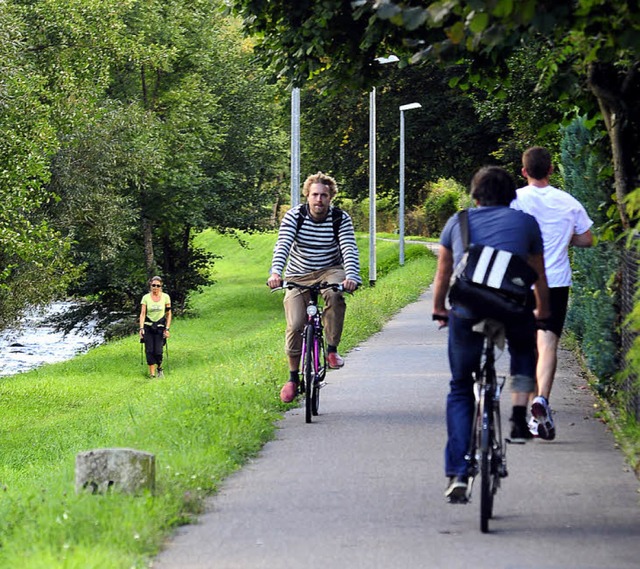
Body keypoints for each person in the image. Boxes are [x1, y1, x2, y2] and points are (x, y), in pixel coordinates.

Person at [432, 166, 550, 502]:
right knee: (526, 353)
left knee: (459, 386)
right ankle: (516, 417)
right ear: (511, 194)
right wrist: (543, 311)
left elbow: (443, 273)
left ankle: (457, 472)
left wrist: (439, 308)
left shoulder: (459, 221)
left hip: (468, 309)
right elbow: (538, 275)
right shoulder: (526, 223)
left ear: (475, 194)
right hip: (513, 308)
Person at [512, 146, 594, 441]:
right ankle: (542, 400)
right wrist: (563, 236)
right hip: (555, 281)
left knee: (527, 345)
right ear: (551, 170)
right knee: (548, 343)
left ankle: (534, 404)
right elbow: (587, 239)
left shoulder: (514, 200)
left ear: (524, 171)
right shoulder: (568, 202)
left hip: (520, 281)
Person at [267, 172, 361, 403]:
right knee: (296, 323)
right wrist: (276, 273)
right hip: (298, 272)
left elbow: (349, 247)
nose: (319, 199)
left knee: (335, 295)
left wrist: (351, 276)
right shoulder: (294, 216)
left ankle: (331, 349)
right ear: (307, 196)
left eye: (324, 195)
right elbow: (283, 245)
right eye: (315, 195)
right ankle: (291, 378)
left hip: (330, 268)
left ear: (331, 198)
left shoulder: (340, 218)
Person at [139, 276, 172, 379]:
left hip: (160, 327)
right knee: (149, 350)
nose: (155, 287)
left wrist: (167, 328)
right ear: (150, 285)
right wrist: (141, 328)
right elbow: (143, 313)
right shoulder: (146, 298)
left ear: (161, 286)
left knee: (158, 351)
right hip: (148, 326)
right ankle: (152, 375)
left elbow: (169, 314)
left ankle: (160, 368)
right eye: (153, 285)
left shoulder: (166, 297)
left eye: (158, 285)